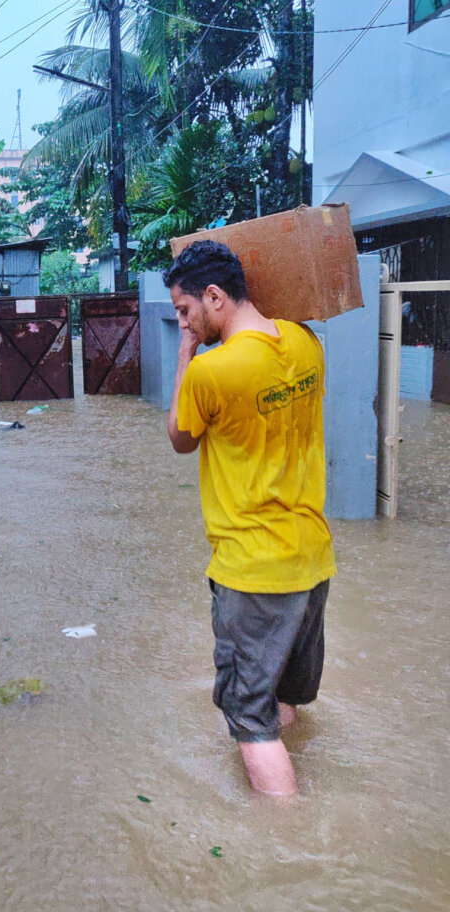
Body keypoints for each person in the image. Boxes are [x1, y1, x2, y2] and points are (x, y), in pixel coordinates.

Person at [163, 240, 336, 797]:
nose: (183, 322)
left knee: (247, 717)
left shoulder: (210, 372)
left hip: (252, 571)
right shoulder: (307, 344)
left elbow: (180, 438)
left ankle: (286, 835)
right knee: (281, 699)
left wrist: (187, 350)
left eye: (185, 310)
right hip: (312, 562)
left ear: (214, 296)